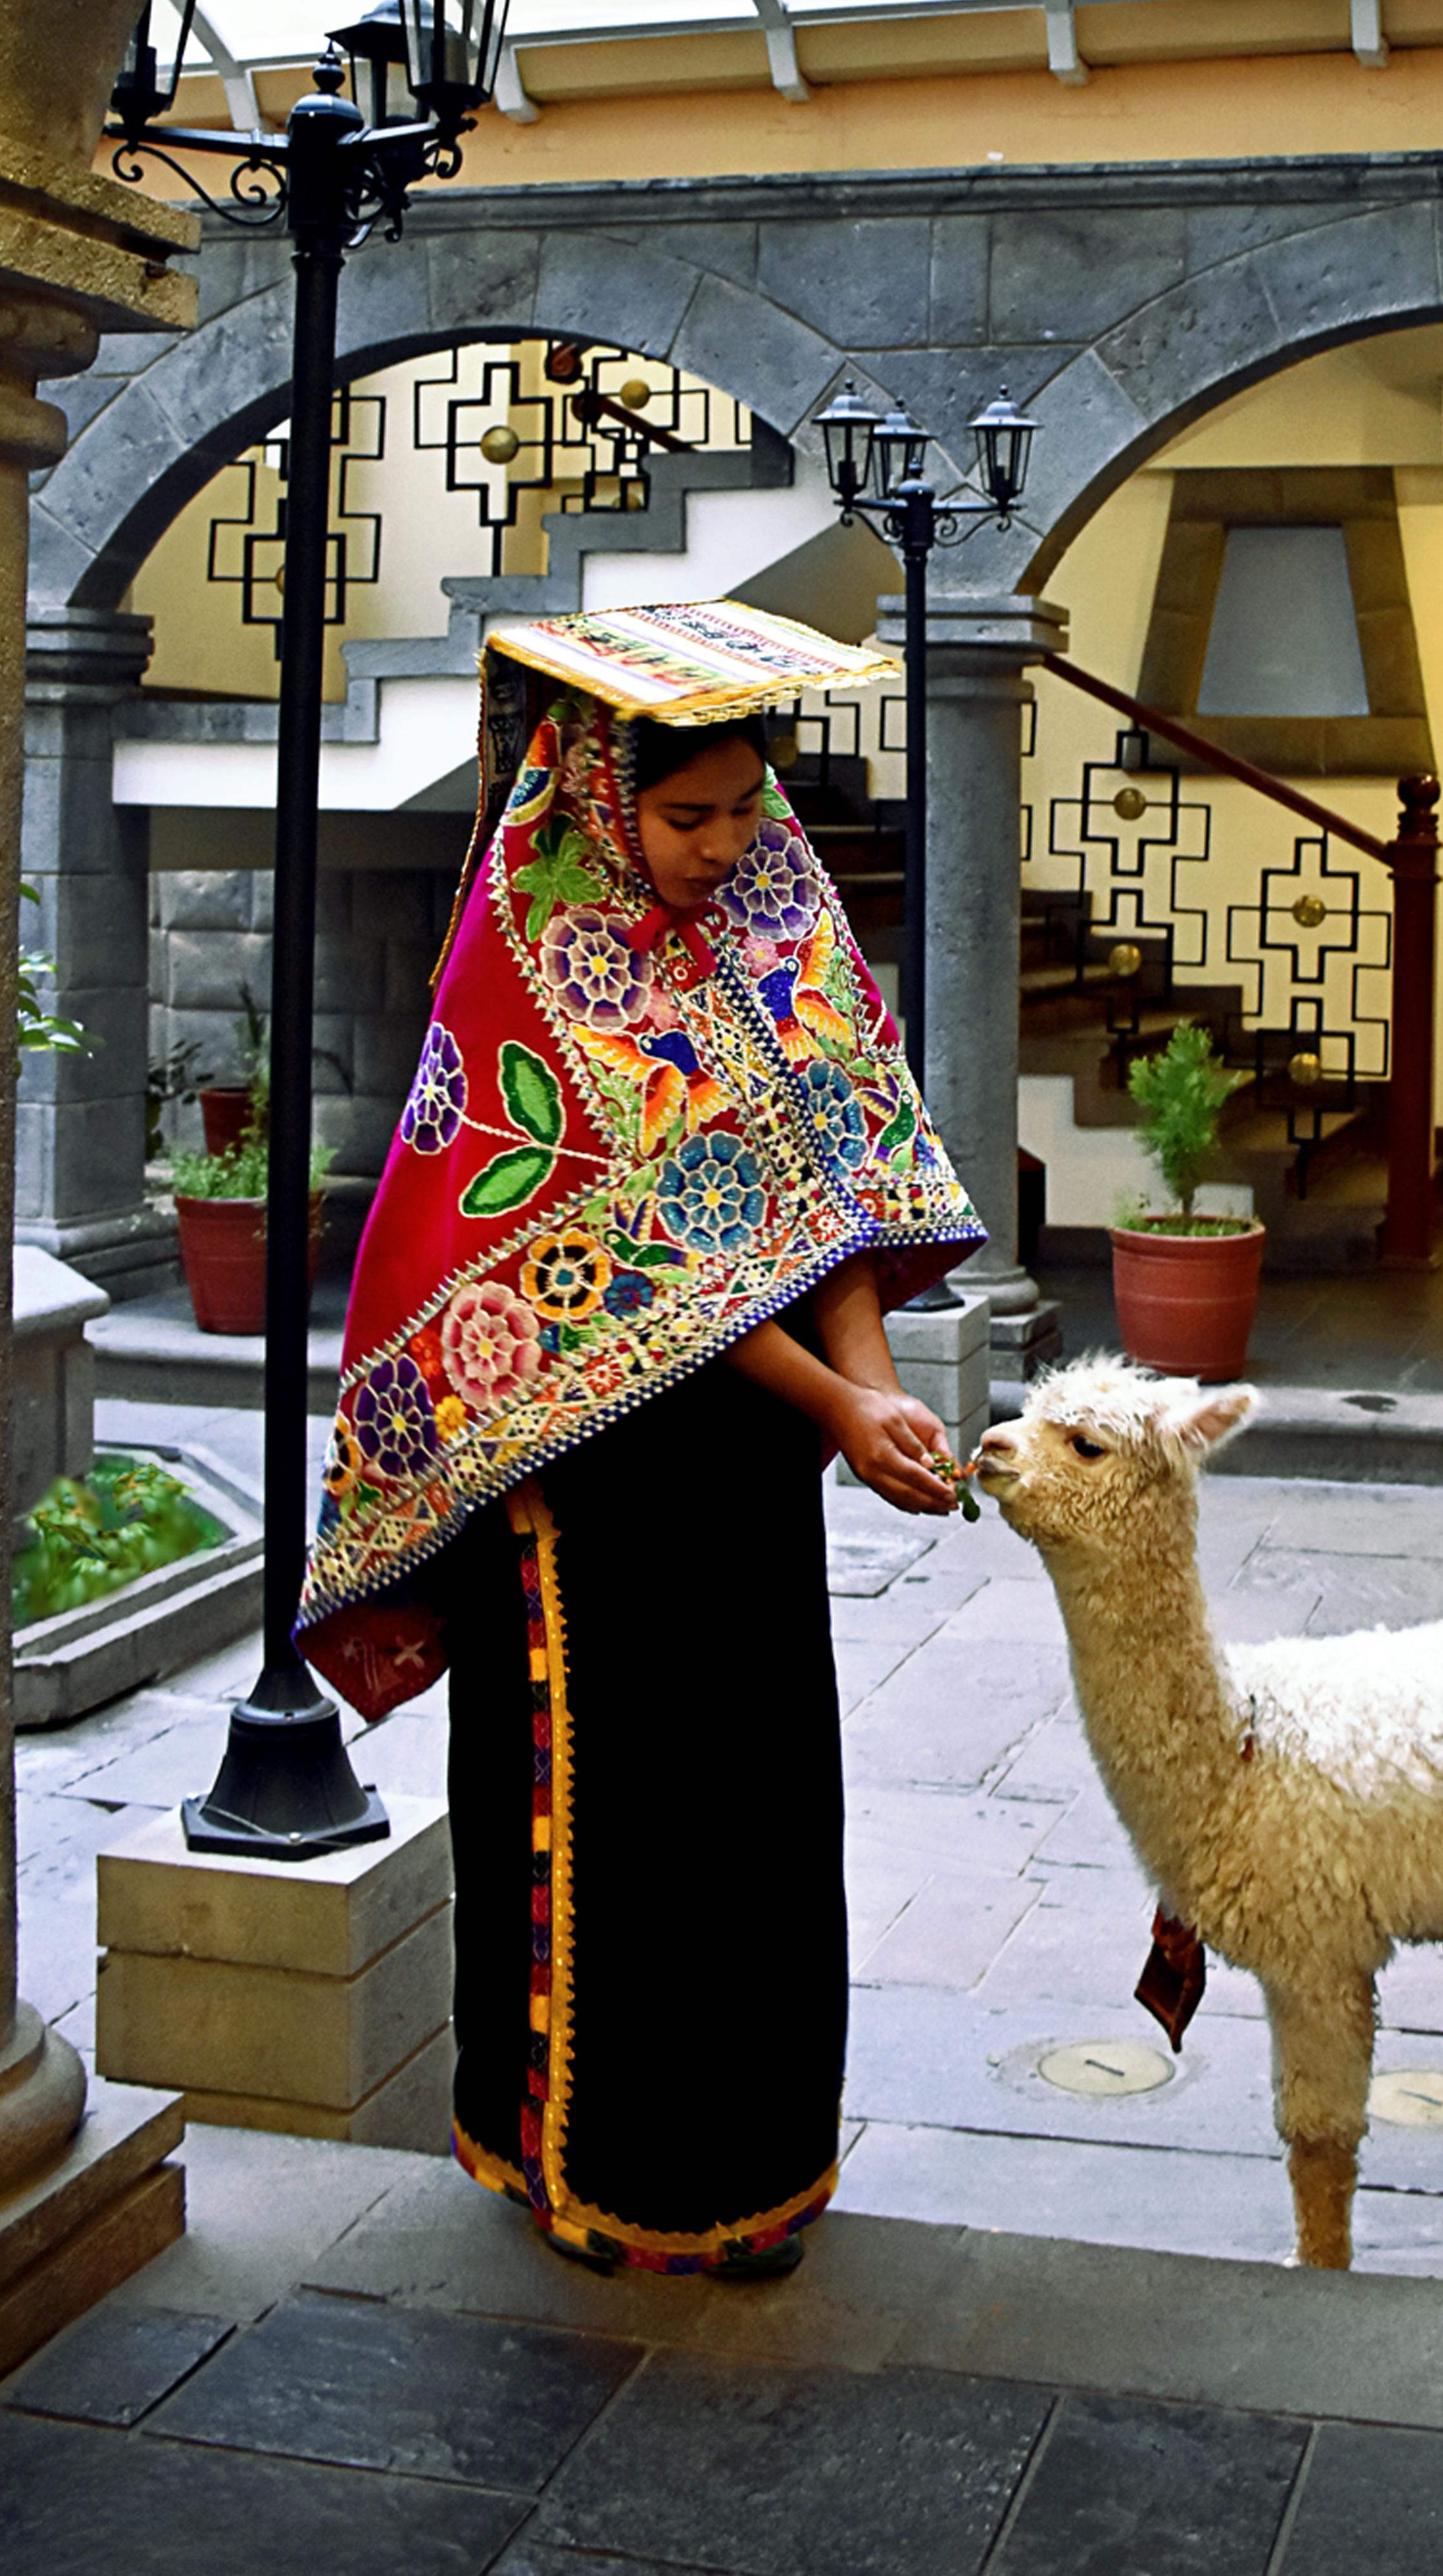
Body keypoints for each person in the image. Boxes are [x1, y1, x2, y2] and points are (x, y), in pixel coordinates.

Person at [299, 598, 985, 2278]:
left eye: (749, 807)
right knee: (611, 1828)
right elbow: (645, 1265)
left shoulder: (783, 922)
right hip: (595, 1481)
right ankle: (585, 2171)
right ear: (607, 795)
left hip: (744, 1484)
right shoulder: (533, 950)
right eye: (690, 817)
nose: (724, 845)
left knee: (756, 1815)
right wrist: (845, 1402)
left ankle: (752, 2173)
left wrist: (868, 1376)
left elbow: (835, 1191)